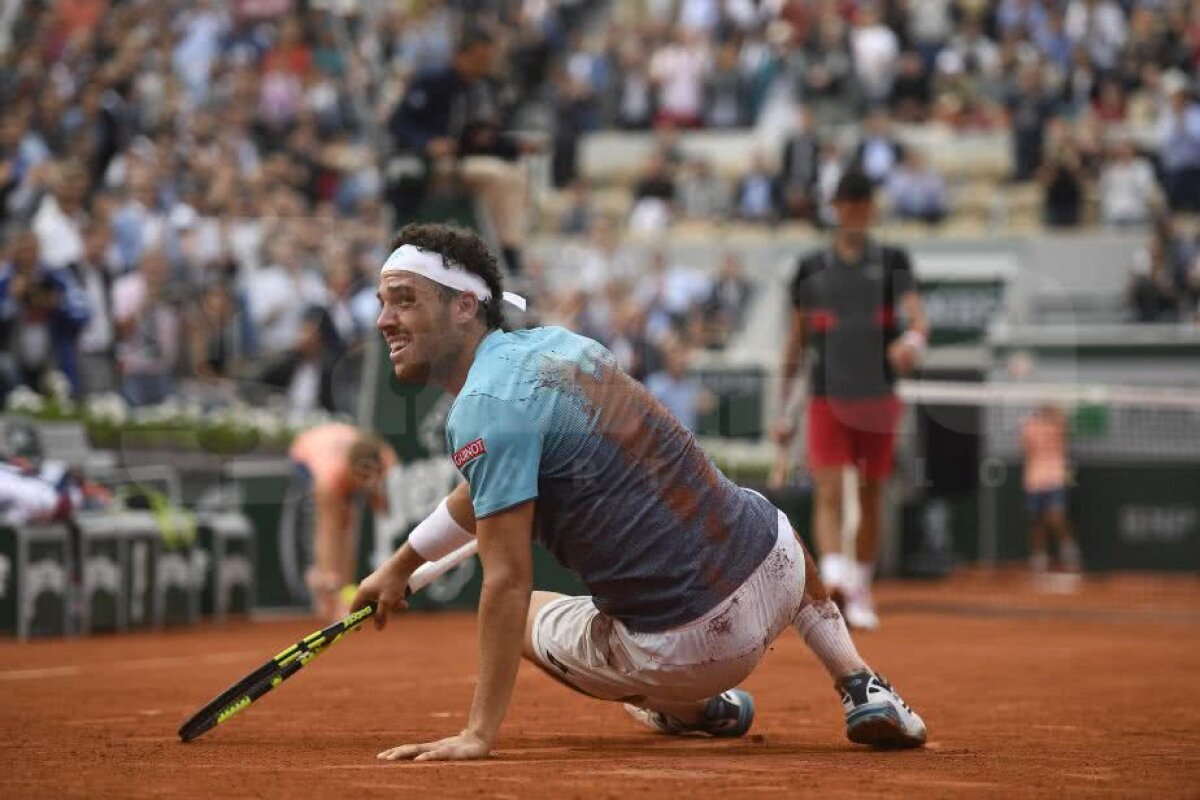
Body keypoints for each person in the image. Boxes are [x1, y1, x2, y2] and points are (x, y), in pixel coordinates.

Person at [350, 223, 926, 763]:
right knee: (746, 506)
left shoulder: (485, 408)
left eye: (404, 300)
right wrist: (402, 564)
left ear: (463, 306)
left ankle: (689, 705)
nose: (384, 320)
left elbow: (505, 581)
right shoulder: (559, 346)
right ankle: (859, 682)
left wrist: (478, 734)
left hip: (688, 650)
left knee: (526, 612)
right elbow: (479, 490)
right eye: (382, 302)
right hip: (774, 572)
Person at [773, 171, 929, 631]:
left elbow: (919, 319)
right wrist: (784, 411)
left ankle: (859, 586)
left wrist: (912, 343)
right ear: (836, 208)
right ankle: (836, 583)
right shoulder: (809, 268)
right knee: (829, 489)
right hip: (826, 396)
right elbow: (795, 342)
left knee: (870, 491)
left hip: (879, 397)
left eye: (863, 206)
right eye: (848, 205)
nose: (855, 214)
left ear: (870, 209)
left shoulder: (894, 261)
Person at [288, 422, 397, 621]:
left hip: (341, 441)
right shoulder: (327, 478)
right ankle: (326, 588)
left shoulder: (387, 458)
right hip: (306, 450)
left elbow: (382, 506)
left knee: (350, 521)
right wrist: (331, 580)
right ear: (349, 469)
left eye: (371, 477)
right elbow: (327, 531)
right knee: (334, 523)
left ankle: (342, 593)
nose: (366, 483)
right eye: (361, 478)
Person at [1020, 405, 1082, 576]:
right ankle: (1039, 560)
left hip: (1056, 479)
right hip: (1034, 481)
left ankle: (1070, 556)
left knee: (1057, 517)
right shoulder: (1029, 426)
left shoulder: (1059, 424)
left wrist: (1053, 412)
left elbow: (1065, 428)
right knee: (1036, 522)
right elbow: (1025, 449)